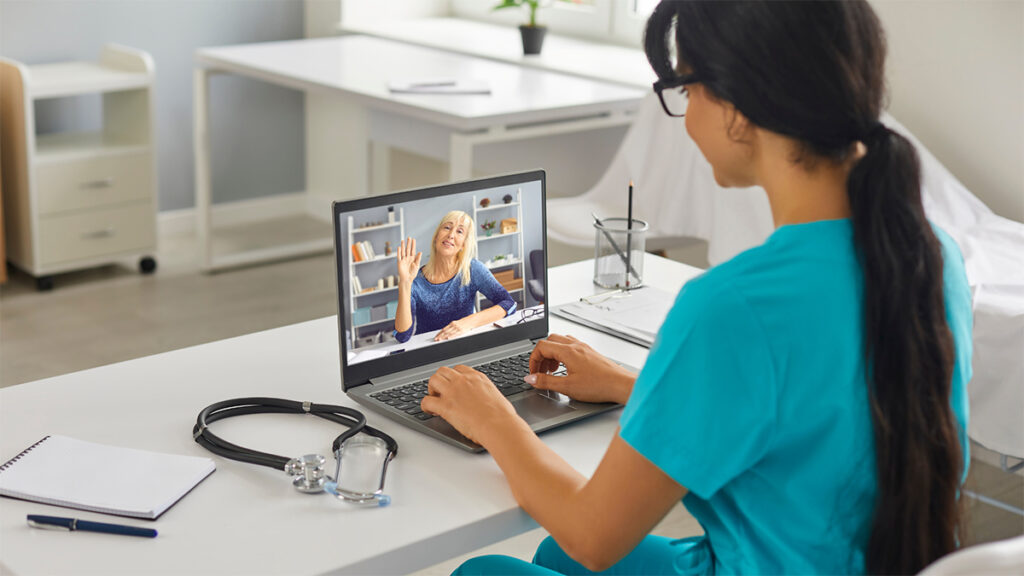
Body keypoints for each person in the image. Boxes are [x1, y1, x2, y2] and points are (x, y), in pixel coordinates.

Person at [420, 1, 972, 574]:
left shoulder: (734, 305)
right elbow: (809, 412)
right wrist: (630, 384)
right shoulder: (933, 256)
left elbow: (593, 534)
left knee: (484, 570)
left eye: (684, 90)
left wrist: (493, 418)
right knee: (550, 551)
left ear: (737, 106)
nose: (683, 117)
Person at [395, 210, 516, 343]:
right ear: (436, 237)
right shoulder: (416, 281)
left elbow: (508, 304)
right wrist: (405, 283)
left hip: (465, 346)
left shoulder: (472, 269)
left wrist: (468, 323)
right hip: (429, 351)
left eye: (459, 231)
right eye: (447, 227)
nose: (451, 235)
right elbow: (403, 335)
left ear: (463, 244)